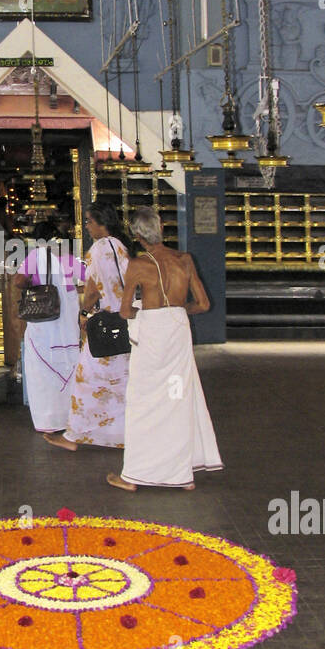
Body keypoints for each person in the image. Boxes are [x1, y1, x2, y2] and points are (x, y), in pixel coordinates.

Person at [108, 208, 222, 491]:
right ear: (160, 229)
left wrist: (142, 312)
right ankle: (181, 475)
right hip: (178, 331)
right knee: (177, 396)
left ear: (136, 235)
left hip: (153, 338)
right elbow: (204, 305)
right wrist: (180, 309)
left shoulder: (137, 264)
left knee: (142, 401)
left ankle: (133, 476)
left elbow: (124, 312)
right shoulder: (184, 259)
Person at [45, 201, 131, 452]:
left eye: (89, 221)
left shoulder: (98, 249)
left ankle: (73, 436)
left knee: (86, 381)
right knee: (120, 383)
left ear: (100, 222)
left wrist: (83, 312)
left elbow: (92, 289)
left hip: (103, 322)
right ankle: (120, 434)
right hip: (124, 321)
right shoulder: (121, 246)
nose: (87, 226)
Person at [11, 220, 84, 433]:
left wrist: (35, 285)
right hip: (67, 326)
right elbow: (91, 278)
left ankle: (47, 420)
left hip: (42, 323)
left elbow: (18, 281)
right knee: (68, 364)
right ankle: (70, 417)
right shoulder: (68, 258)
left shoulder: (35, 256)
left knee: (41, 370)